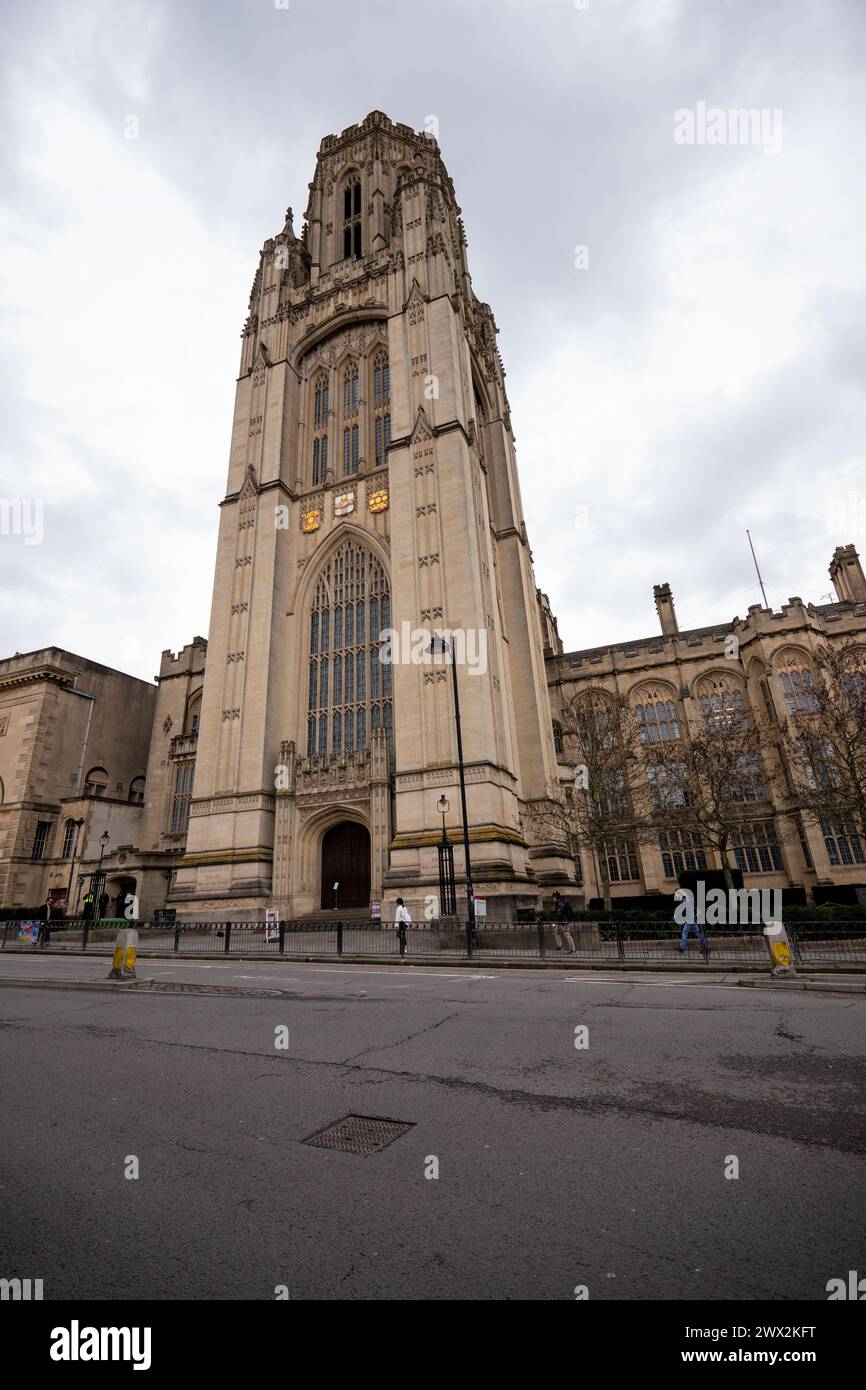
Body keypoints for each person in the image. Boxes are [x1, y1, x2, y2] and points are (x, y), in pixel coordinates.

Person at [673, 887, 709, 956]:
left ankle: (706, 948)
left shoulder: (686, 898)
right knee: (692, 933)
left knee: (695, 933)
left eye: (677, 892)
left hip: (691, 920)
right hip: (690, 919)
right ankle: (682, 948)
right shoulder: (685, 898)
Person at [552, 890, 577, 955]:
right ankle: (560, 946)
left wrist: (555, 920)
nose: (553, 899)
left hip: (563, 921)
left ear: (555, 897)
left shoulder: (560, 903)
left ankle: (572, 949)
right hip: (560, 921)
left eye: (553, 898)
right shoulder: (558, 903)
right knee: (556, 932)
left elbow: (560, 913)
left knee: (567, 935)